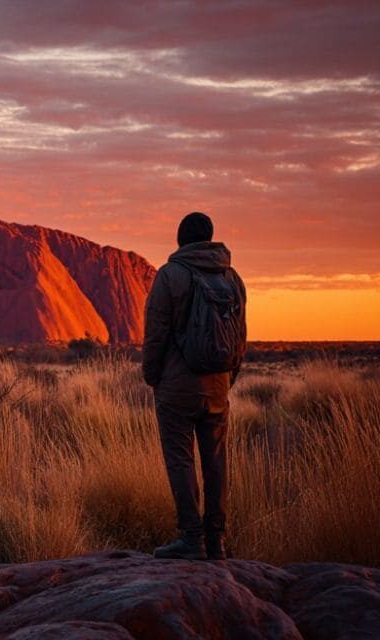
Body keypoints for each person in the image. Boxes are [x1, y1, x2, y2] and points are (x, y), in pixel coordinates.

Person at [142, 212, 246, 561]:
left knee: (180, 459)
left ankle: (191, 539)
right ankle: (217, 541)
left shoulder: (170, 275)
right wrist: (228, 378)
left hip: (176, 386)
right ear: (210, 238)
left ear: (180, 239)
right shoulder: (232, 277)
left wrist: (152, 375)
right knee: (216, 461)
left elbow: (155, 333)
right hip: (217, 386)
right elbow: (240, 336)